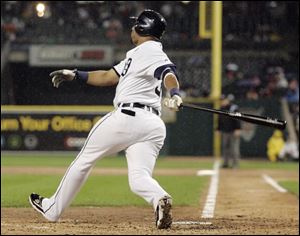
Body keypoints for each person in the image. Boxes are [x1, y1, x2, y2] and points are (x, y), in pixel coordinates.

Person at [28, 9, 183, 230]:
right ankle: (160, 198)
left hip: (128, 117)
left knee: (84, 160)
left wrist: (175, 93)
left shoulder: (151, 53)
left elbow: (168, 73)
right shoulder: (137, 54)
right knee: (139, 177)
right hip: (152, 125)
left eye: (135, 25)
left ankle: (53, 208)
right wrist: (76, 74)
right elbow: (109, 76)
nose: (132, 28)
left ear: (141, 28)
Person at [217, 94, 242, 168]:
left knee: (234, 148)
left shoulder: (233, 108)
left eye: (223, 100)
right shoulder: (221, 108)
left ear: (227, 100)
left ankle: (235, 164)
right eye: (221, 100)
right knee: (225, 147)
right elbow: (219, 119)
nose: (222, 101)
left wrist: (238, 128)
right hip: (225, 130)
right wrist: (218, 129)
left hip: (233, 130)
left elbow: (238, 118)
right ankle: (225, 163)